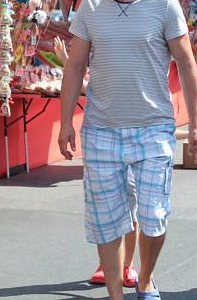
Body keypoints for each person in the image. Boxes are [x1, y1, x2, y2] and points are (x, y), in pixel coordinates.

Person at [58, 0, 197, 300]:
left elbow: (188, 67)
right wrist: (65, 123)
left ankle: (145, 279)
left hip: (153, 128)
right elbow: (75, 66)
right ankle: (115, 294)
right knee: (106, 221)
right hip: (101, 129)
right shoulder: (90, 5)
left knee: (154, 216)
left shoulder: (163, 2)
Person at [54, 36, 140, 289]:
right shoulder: (99, 67)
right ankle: (107, 263)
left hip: (134, 142)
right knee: (104, 208)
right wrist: (66, 62)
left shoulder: (139, 68)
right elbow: (83, 85)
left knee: (131, 208)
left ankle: (128, 265)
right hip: (102, 141)